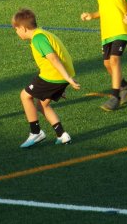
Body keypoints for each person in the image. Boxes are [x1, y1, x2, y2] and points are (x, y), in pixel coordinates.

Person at [12, 8, 80, 148]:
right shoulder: (44, 33)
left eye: (16, 29)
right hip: (58, 76)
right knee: (42, 105)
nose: (16, 32)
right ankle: (62, 135)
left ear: (23, 28)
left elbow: (54, 58)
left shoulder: (38, 39)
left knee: (25, 96)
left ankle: (35, 132)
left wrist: (66, 79)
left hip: (52, 76)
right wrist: (62, 83)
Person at [81, 0, 127, 111]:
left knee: (114, 60)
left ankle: (114, 96)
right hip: (107, 31)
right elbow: (104, 10)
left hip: (120, 29)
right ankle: (124, 85)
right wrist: (92, 15)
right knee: (107, 64)